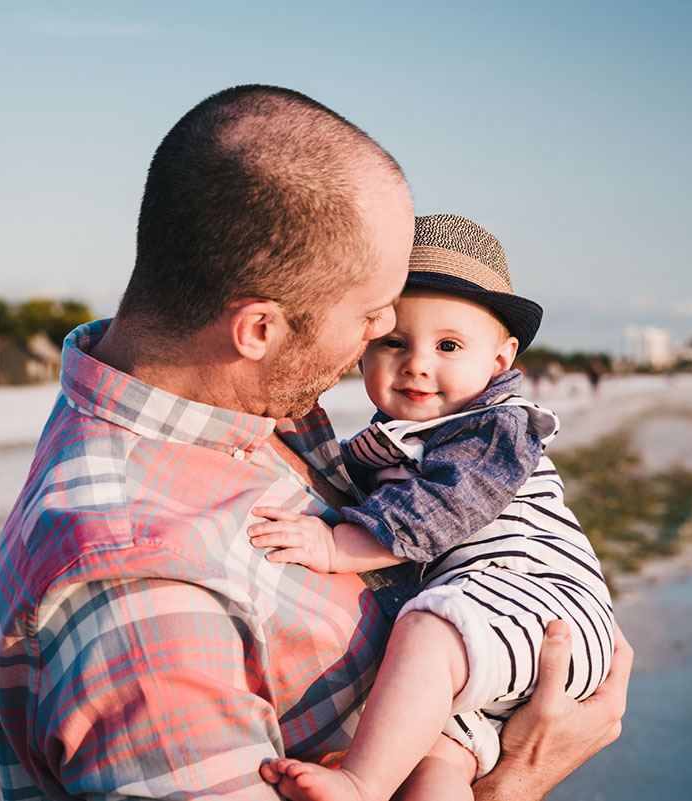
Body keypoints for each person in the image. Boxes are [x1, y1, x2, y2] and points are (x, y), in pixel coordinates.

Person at [0, 85, 632, 800]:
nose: (380, 339)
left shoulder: (246, 402)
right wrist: (515, 782)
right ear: (259, 329)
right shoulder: (145, 599)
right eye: (373, 315)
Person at [251, 215, 615, 801]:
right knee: (435, 761)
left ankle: (360, 783)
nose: (417, 363)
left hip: (541, 603)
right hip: (488, 625)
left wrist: (333, 545)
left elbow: (438, 509)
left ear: (501, 359)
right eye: (394, 342)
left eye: (448, 346)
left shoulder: (495, 428)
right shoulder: (392, 436)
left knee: (425, 629)